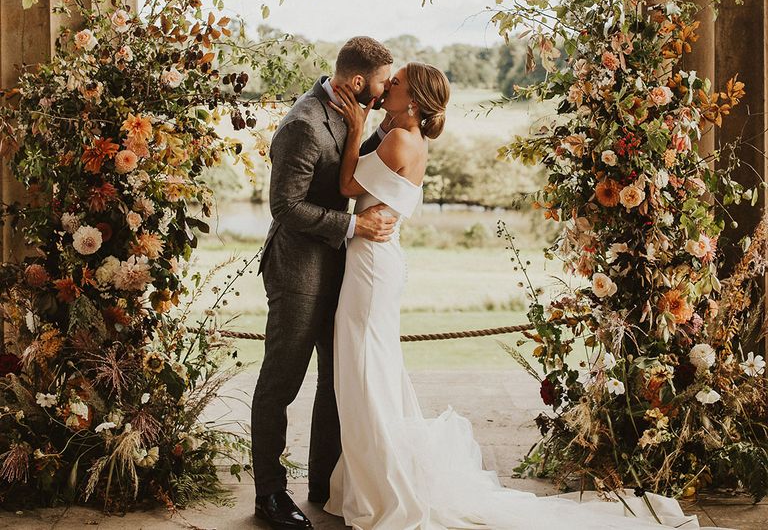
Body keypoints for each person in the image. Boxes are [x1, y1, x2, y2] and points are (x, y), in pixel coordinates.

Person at [323, 62, 710, 530]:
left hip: (370, 267)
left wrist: (357, 127)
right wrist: (373, 123)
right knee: (372, 370)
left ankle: (384, 486)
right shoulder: (405, 136)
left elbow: (347, 187)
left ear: (415, 100)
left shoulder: (399, 140)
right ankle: (374, 478)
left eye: (397, 82)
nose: (388, 85)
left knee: (365, 370)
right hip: (378, 263)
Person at [252, 36, 398, 530]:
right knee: (281, 384)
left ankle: (324, 484)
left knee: (337, 382)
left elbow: (350, 169)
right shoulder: (302, 125)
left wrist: (399, 127)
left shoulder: (351, 113)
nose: (381, 95)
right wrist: (356, 227)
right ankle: (269, 494)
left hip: (338, 268)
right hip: (296, 271)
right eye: (380, 87)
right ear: (357, 83)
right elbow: (285, 207)